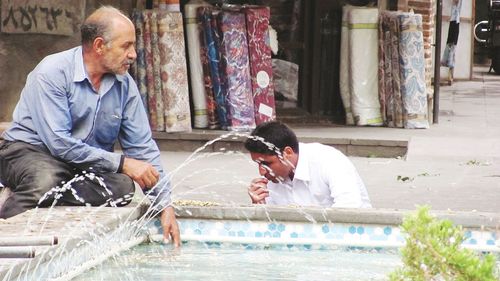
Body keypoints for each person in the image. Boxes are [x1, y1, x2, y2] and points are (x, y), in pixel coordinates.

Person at [0, 6, 180, 246]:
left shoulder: (124, 85)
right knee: (46, 177)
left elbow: (142, 147)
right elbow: (59, 144)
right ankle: (7, 221)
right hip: (30, 152)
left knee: (123, 187)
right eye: (126, 46)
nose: (133, 54)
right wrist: (122, 163)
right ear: (98, 46)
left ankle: (50, 194)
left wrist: (164, 205)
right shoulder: (51, 72)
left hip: (80, 163)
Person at [244, 121, 371, 208]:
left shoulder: (329, 161)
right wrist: (259, 205)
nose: (262, 171)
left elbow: (349, 209)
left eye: (267, 163)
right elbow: (272, 226)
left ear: (287, 153)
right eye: (258, 164)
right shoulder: (273, 177)